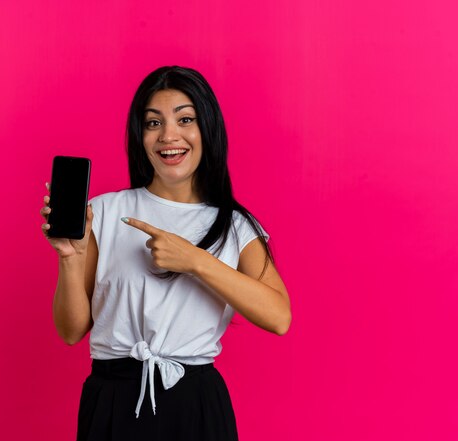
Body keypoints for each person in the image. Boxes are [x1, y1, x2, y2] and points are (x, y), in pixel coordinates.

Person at [40, 66, 291, 441]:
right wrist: (69, 259)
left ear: (207, 128)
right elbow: (71, 330)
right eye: (153, 123)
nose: (169, 136)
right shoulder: (106, 212)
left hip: (195, 400)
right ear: (140, 136)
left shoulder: (234, 225)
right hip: (112, 396)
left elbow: (279, 317)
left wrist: (194, 260)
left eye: (185, 119)